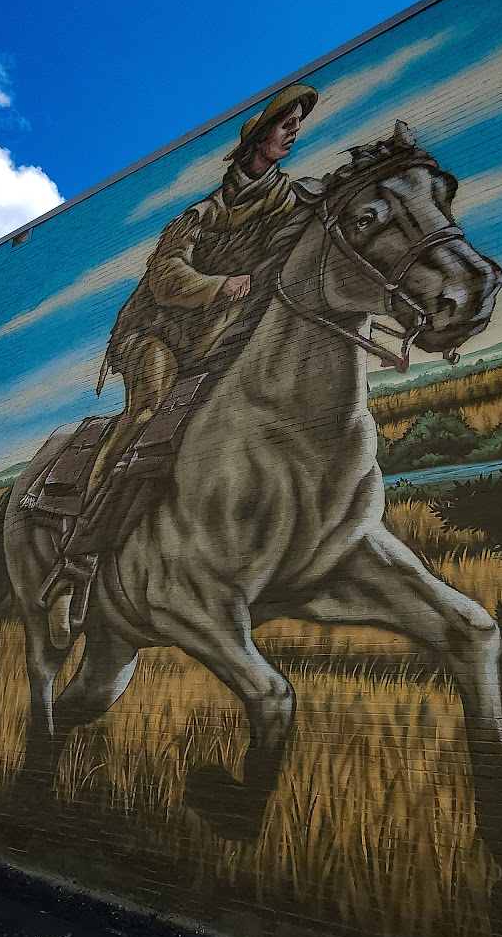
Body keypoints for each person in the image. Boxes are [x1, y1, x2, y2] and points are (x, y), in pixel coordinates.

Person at [43, 84, 319, 645]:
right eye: (283, 122)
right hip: (159, 332)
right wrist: (219, 285)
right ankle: (75, 568)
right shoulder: (202, 214)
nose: (293, 132)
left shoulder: (292, 202)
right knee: (148, 414)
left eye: (297, 124)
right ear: (256, 135)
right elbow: (166, 277)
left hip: (220, 338)